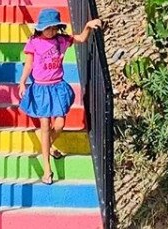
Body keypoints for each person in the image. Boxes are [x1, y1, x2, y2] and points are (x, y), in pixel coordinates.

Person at [18, 8, 102, 185]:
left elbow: (80, 38)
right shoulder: (34, 42)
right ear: (41, 28)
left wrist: (87, 26)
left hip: (57, 87)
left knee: (60, 124)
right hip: (41, 89)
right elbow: (29, 64)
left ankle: (46, 146)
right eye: (48, 28)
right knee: (45, 125)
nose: (52, 31)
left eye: (55, 28)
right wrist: (22, 82)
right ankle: (47, 170)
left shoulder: (62, 40)